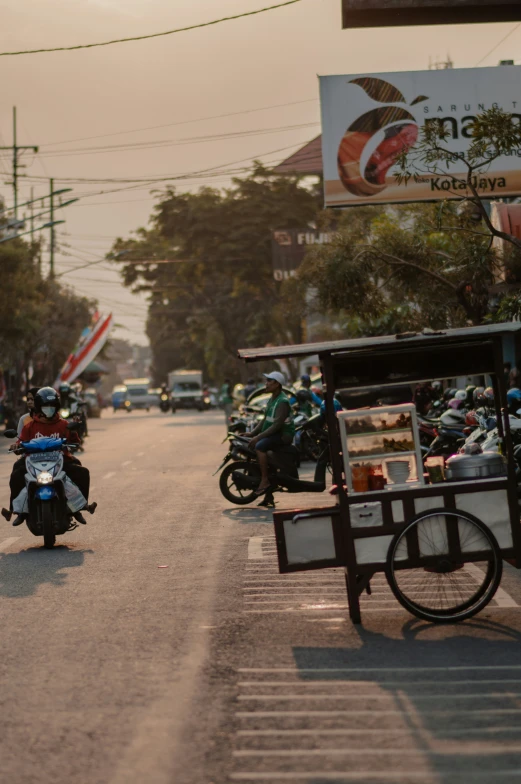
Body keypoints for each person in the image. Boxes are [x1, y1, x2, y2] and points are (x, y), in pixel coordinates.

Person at [6, 387, 95, 527]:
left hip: (60, 461)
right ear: (39, 408)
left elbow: (75, 441)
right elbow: (20, 441)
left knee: (83, 472)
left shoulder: (64, 424)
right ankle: (17, 511)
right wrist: (16, 446)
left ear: (57, 407)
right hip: (33, 462)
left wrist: (73, 434)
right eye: (46, 407)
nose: (49, 409)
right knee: (16, 473)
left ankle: (78, 508)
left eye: (52, 407)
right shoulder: (30, 426)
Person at [244, 371, 295, 496]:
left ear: (277, 384)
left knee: (260, 446)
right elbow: (265, 420)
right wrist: (252, 433)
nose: (266, 384)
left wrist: (258, 438)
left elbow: (277, 425)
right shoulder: (272, 399)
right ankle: (268, 494)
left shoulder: (282, 401)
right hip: (275, 433)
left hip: (283, 435)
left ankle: (265, 480)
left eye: (269, 381)